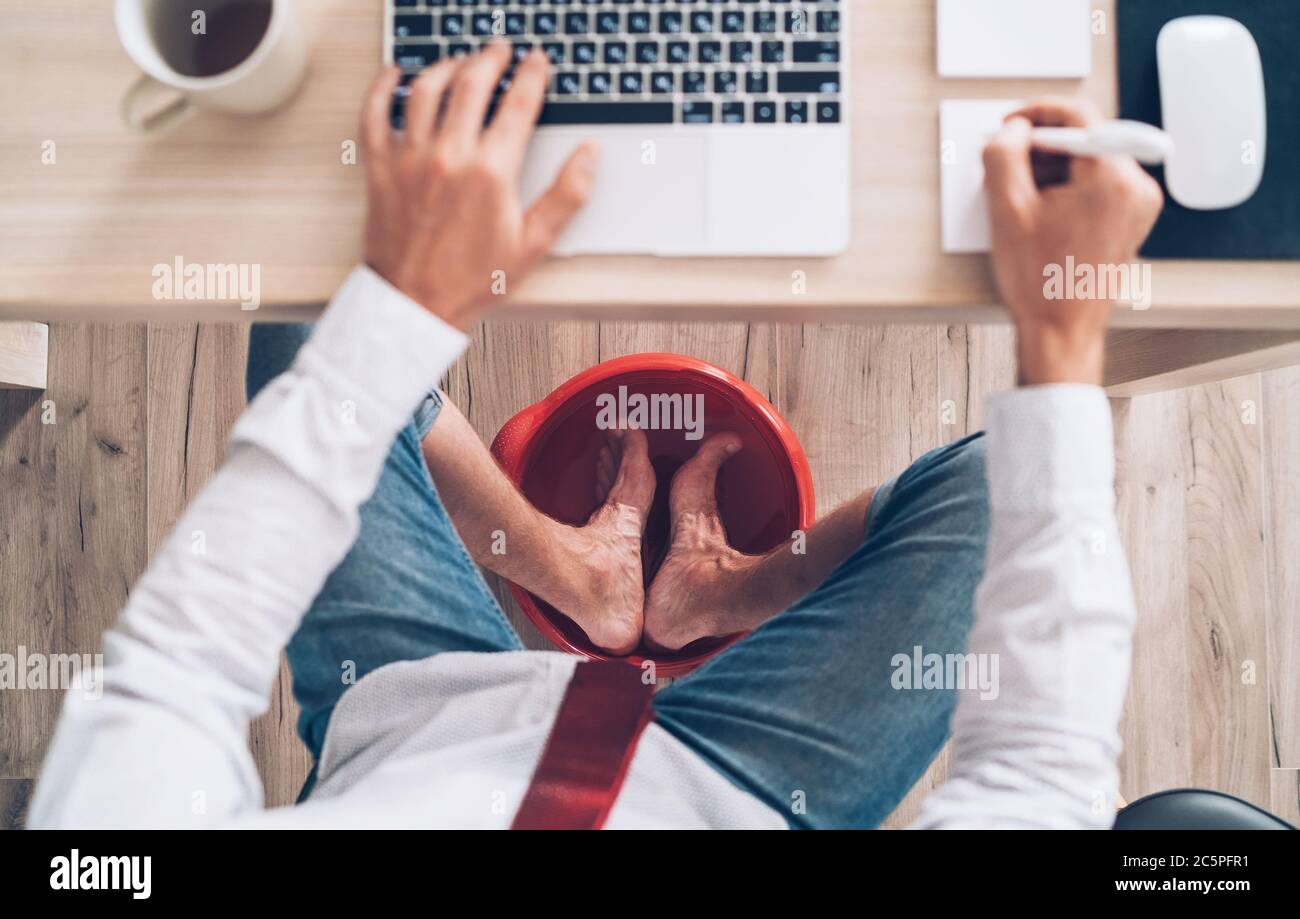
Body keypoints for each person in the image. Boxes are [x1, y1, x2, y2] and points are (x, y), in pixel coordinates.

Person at [29, 45, 1163, 829]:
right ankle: (712, 599)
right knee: (989, 490)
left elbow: (169, 678)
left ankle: (568, 569)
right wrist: (1059, 340)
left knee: (311, 318)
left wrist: (399, 308)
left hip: (420, 722)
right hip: (736, 786)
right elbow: (1037, 784)